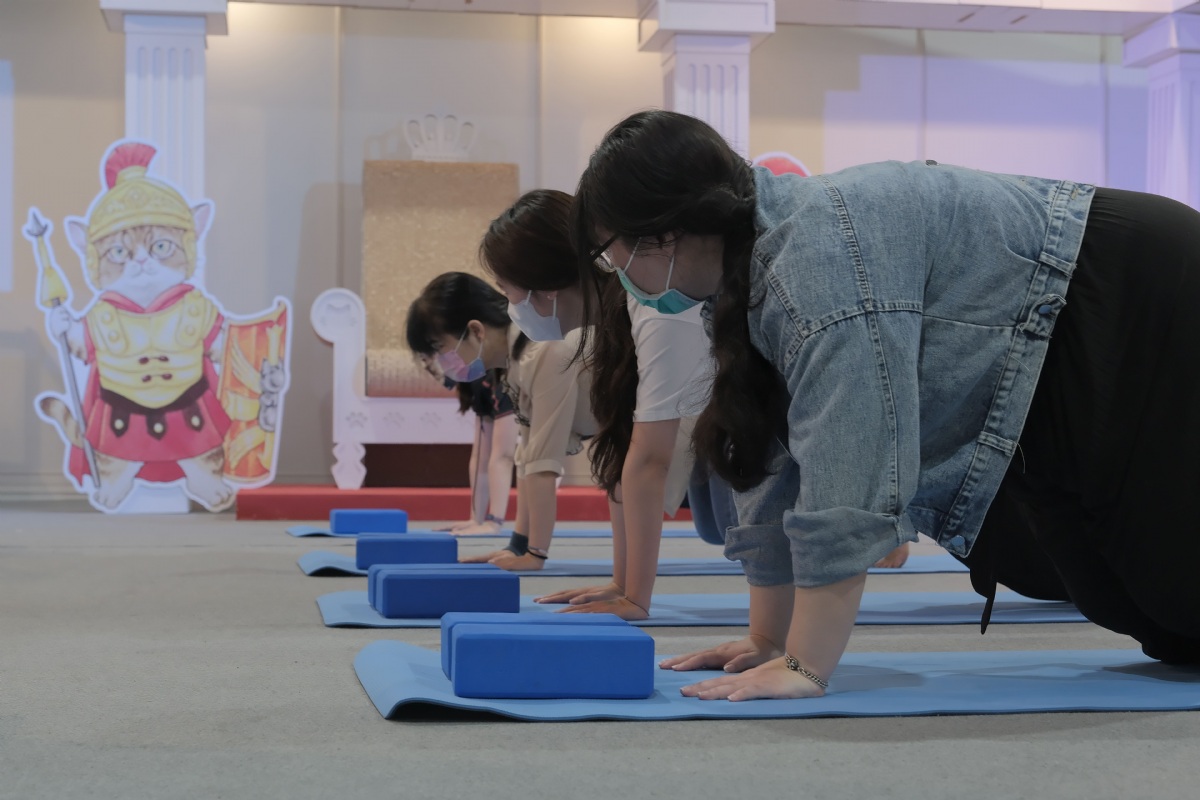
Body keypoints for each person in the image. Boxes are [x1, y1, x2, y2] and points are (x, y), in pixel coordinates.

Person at [572, 109, 1200, 700]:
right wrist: (769, 638)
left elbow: (848, 460)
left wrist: (806, 664)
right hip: (1048, 353)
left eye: (610, 252)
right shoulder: (739, 278)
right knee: (1146, 616)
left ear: (663, 234)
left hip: (1136, 298)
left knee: (1177, 594)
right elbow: (769, 458)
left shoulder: (812, 261)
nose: (615, 272)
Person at [477, 189, 720, 620]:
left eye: (506, 289)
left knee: (727, 526)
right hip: (709, 424)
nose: (509, 305)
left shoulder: (651, 308)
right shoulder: (608, 324)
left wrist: (636, 599)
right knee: (711, 522)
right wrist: (620, 584)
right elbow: (621, 456)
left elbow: (648, 462)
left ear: (547, 288)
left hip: (738, 422)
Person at [405, 272, 596, 570]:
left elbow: (543, 462)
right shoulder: (516, 363)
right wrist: (517, 547)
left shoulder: (541, 351)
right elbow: (527, 457)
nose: (443, 362)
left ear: (475, 331)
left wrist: (535, 554)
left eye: (441, 348)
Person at [416, 353, 517, 536]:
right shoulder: (477, 380)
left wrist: (494, 523)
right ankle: (478, 517)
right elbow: (481, 456)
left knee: (528, 462)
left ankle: (497, 520)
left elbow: (504, 457)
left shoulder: (501, 378)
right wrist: (475, 520)